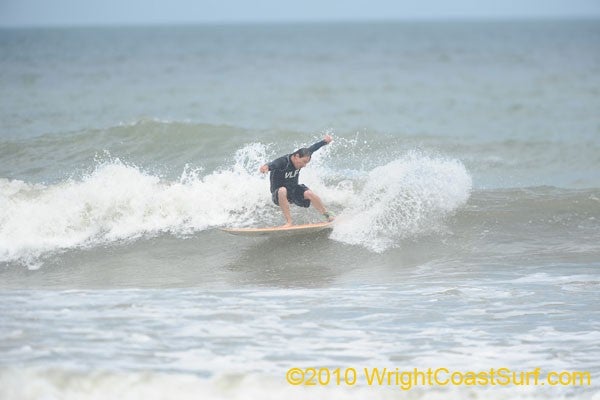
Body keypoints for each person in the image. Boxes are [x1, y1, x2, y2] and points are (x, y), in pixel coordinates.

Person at [259, 135, 335, 227]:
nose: (304, 165)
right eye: (303, 162)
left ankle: (327, 216)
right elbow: (273, 164)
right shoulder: (283, 161)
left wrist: (325, 141)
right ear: (296, 156)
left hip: (293, 191)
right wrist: (265, 167)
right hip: (278, 195)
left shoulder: (304, 155)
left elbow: (313, 148)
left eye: (306, 163)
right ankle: (289, 222)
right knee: (282, 190)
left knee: (309, 193)